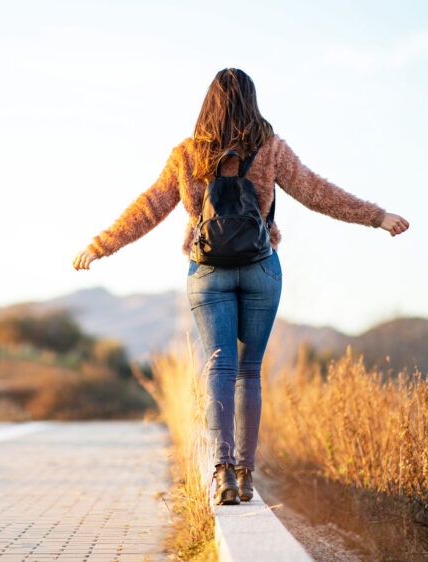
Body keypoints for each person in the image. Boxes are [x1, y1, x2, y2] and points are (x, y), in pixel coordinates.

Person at [71, 68, 409, 506]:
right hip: (260, 268)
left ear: (207, 104)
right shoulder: (269, 149)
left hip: (207, 271)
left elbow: (150, 206)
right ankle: (247, 477)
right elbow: (316, 192)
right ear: (252, 102)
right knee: (249, 372)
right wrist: (376, 216)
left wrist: (100, 246)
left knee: (219, 369)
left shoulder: (188, 154)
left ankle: (222, 472)